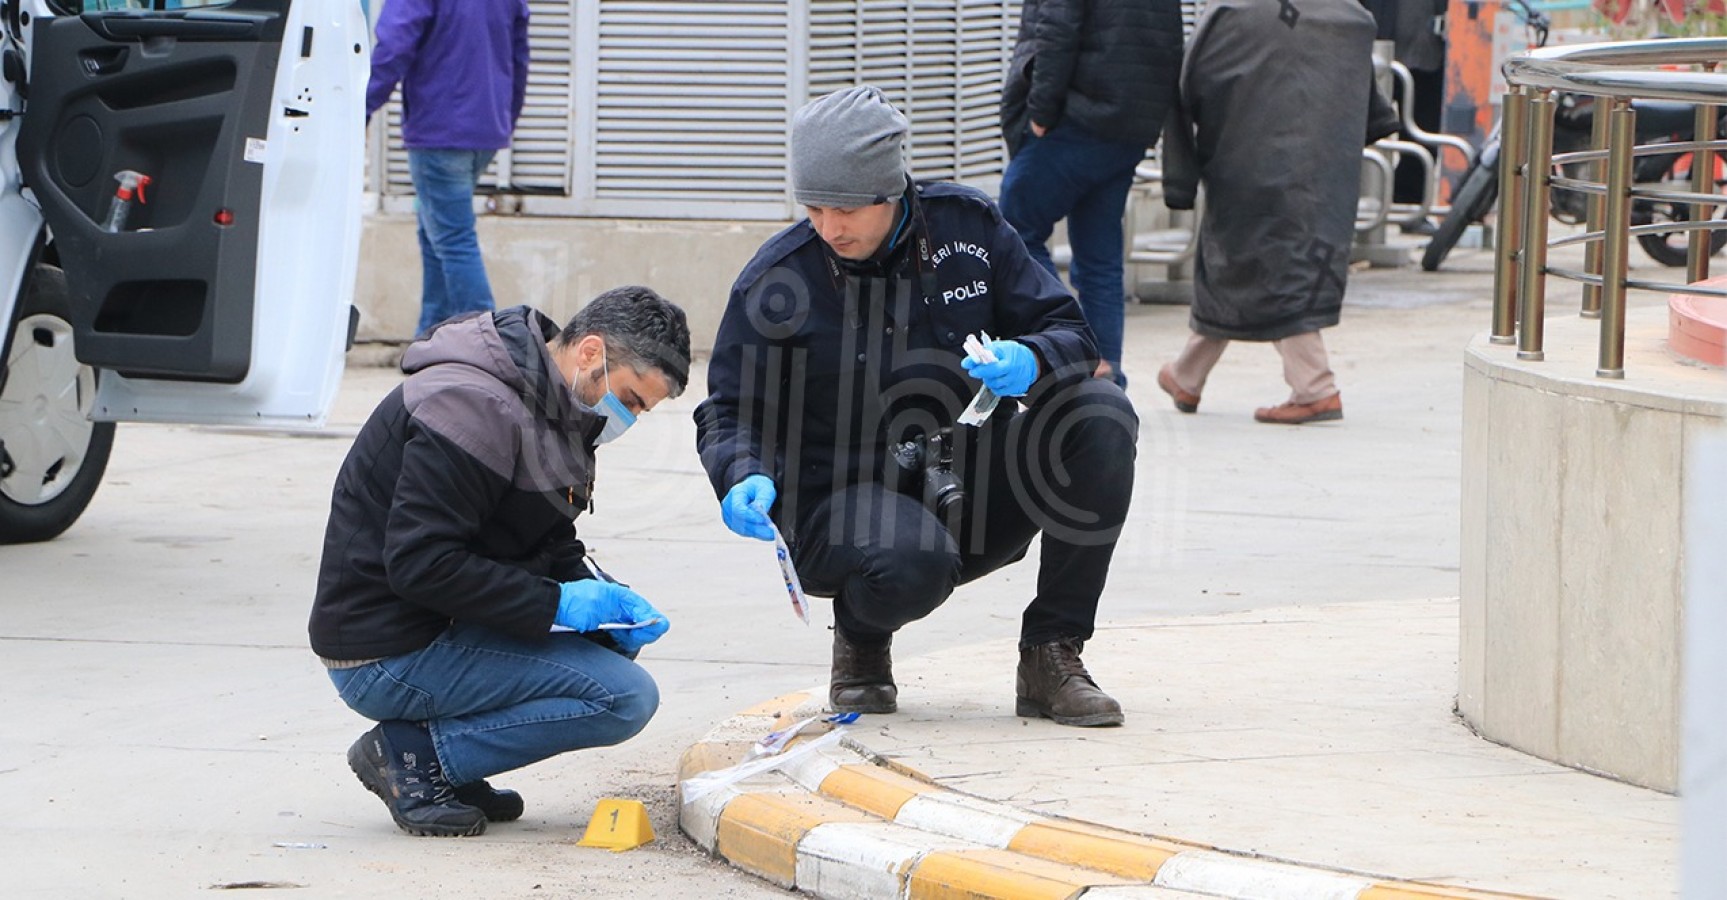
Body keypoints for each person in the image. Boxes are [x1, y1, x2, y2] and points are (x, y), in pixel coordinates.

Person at [695, 86, 1139, 728]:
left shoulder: (969, 230)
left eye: (847, 208)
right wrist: (741, 473)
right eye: (814, 208)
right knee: (909, 560)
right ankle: (862, 638)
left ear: (891, 191)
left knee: (1099, 413)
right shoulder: (779, 281)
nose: (830, 227)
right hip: (842, 500)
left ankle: (1051, 653)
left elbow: (1071, 332)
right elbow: (729, 408)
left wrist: (1030, 358)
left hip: (964, 475)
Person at [310, 288, 689, 837]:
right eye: (629, 399)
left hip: (439, 623)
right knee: (625, 697)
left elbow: (550, 541)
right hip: (383, 649)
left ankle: (455, 764)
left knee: (607, 663)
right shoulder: (469, 404)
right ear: (590, 353)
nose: (628, 418)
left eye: (641, 410)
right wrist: (560, 603)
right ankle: (417, 758)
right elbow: (422, 564)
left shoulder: (552, 406)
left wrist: (606, 604)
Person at [1154, 0, 1378, 425]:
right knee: (1243, 267)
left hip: (1246, 158)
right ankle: (1187, 374)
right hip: (1321, 165)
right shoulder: (1343, 12)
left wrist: (1179, 182)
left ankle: (1316, 387)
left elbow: (1184, 91)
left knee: (1269, 265)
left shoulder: (1228, 15)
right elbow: (1363, 86)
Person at [998, 0, 1184, 388]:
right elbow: (1169, 42)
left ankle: (1076, 349)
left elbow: (1056, 30)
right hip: (1128, 125)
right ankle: (1104, 368)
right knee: (1099, 253)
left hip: (1074, 118)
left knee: (1014, 230)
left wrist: (1040, 113)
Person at [366, 0, 529, 337]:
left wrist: (361, 106)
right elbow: (519, 55)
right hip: (484, 128)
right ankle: (430, 337)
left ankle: (493, 345)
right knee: (435, 232)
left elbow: (394, 44)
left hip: (439, 129)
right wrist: (504, 118)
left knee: (453, 239)